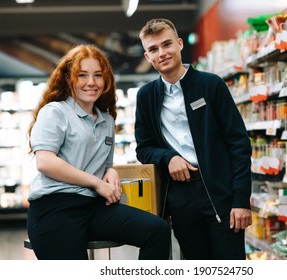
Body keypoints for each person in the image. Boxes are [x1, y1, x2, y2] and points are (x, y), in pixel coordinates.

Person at [26, 44, 170, 260]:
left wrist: (110, 172)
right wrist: (97, 183)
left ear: (106, 80)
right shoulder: (55, 112)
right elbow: (45, 162)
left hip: (93, 207)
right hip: (55, 208)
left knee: (157, 231)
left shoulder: (106, 120)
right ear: (68, 79)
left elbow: (105, 164)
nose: (91, 82)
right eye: (82, 75)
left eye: (97, 75)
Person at [135, 19, 252, 260]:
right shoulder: (146, 96)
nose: (162, 53)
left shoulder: (211, 85)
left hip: (220, 193)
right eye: (154, 49)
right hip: (180, 197)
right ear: (148, 56)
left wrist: (241, 200)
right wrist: (168, 158)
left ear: (179, 44)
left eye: (167, 44)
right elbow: (144, 148)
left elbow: (238, 144)